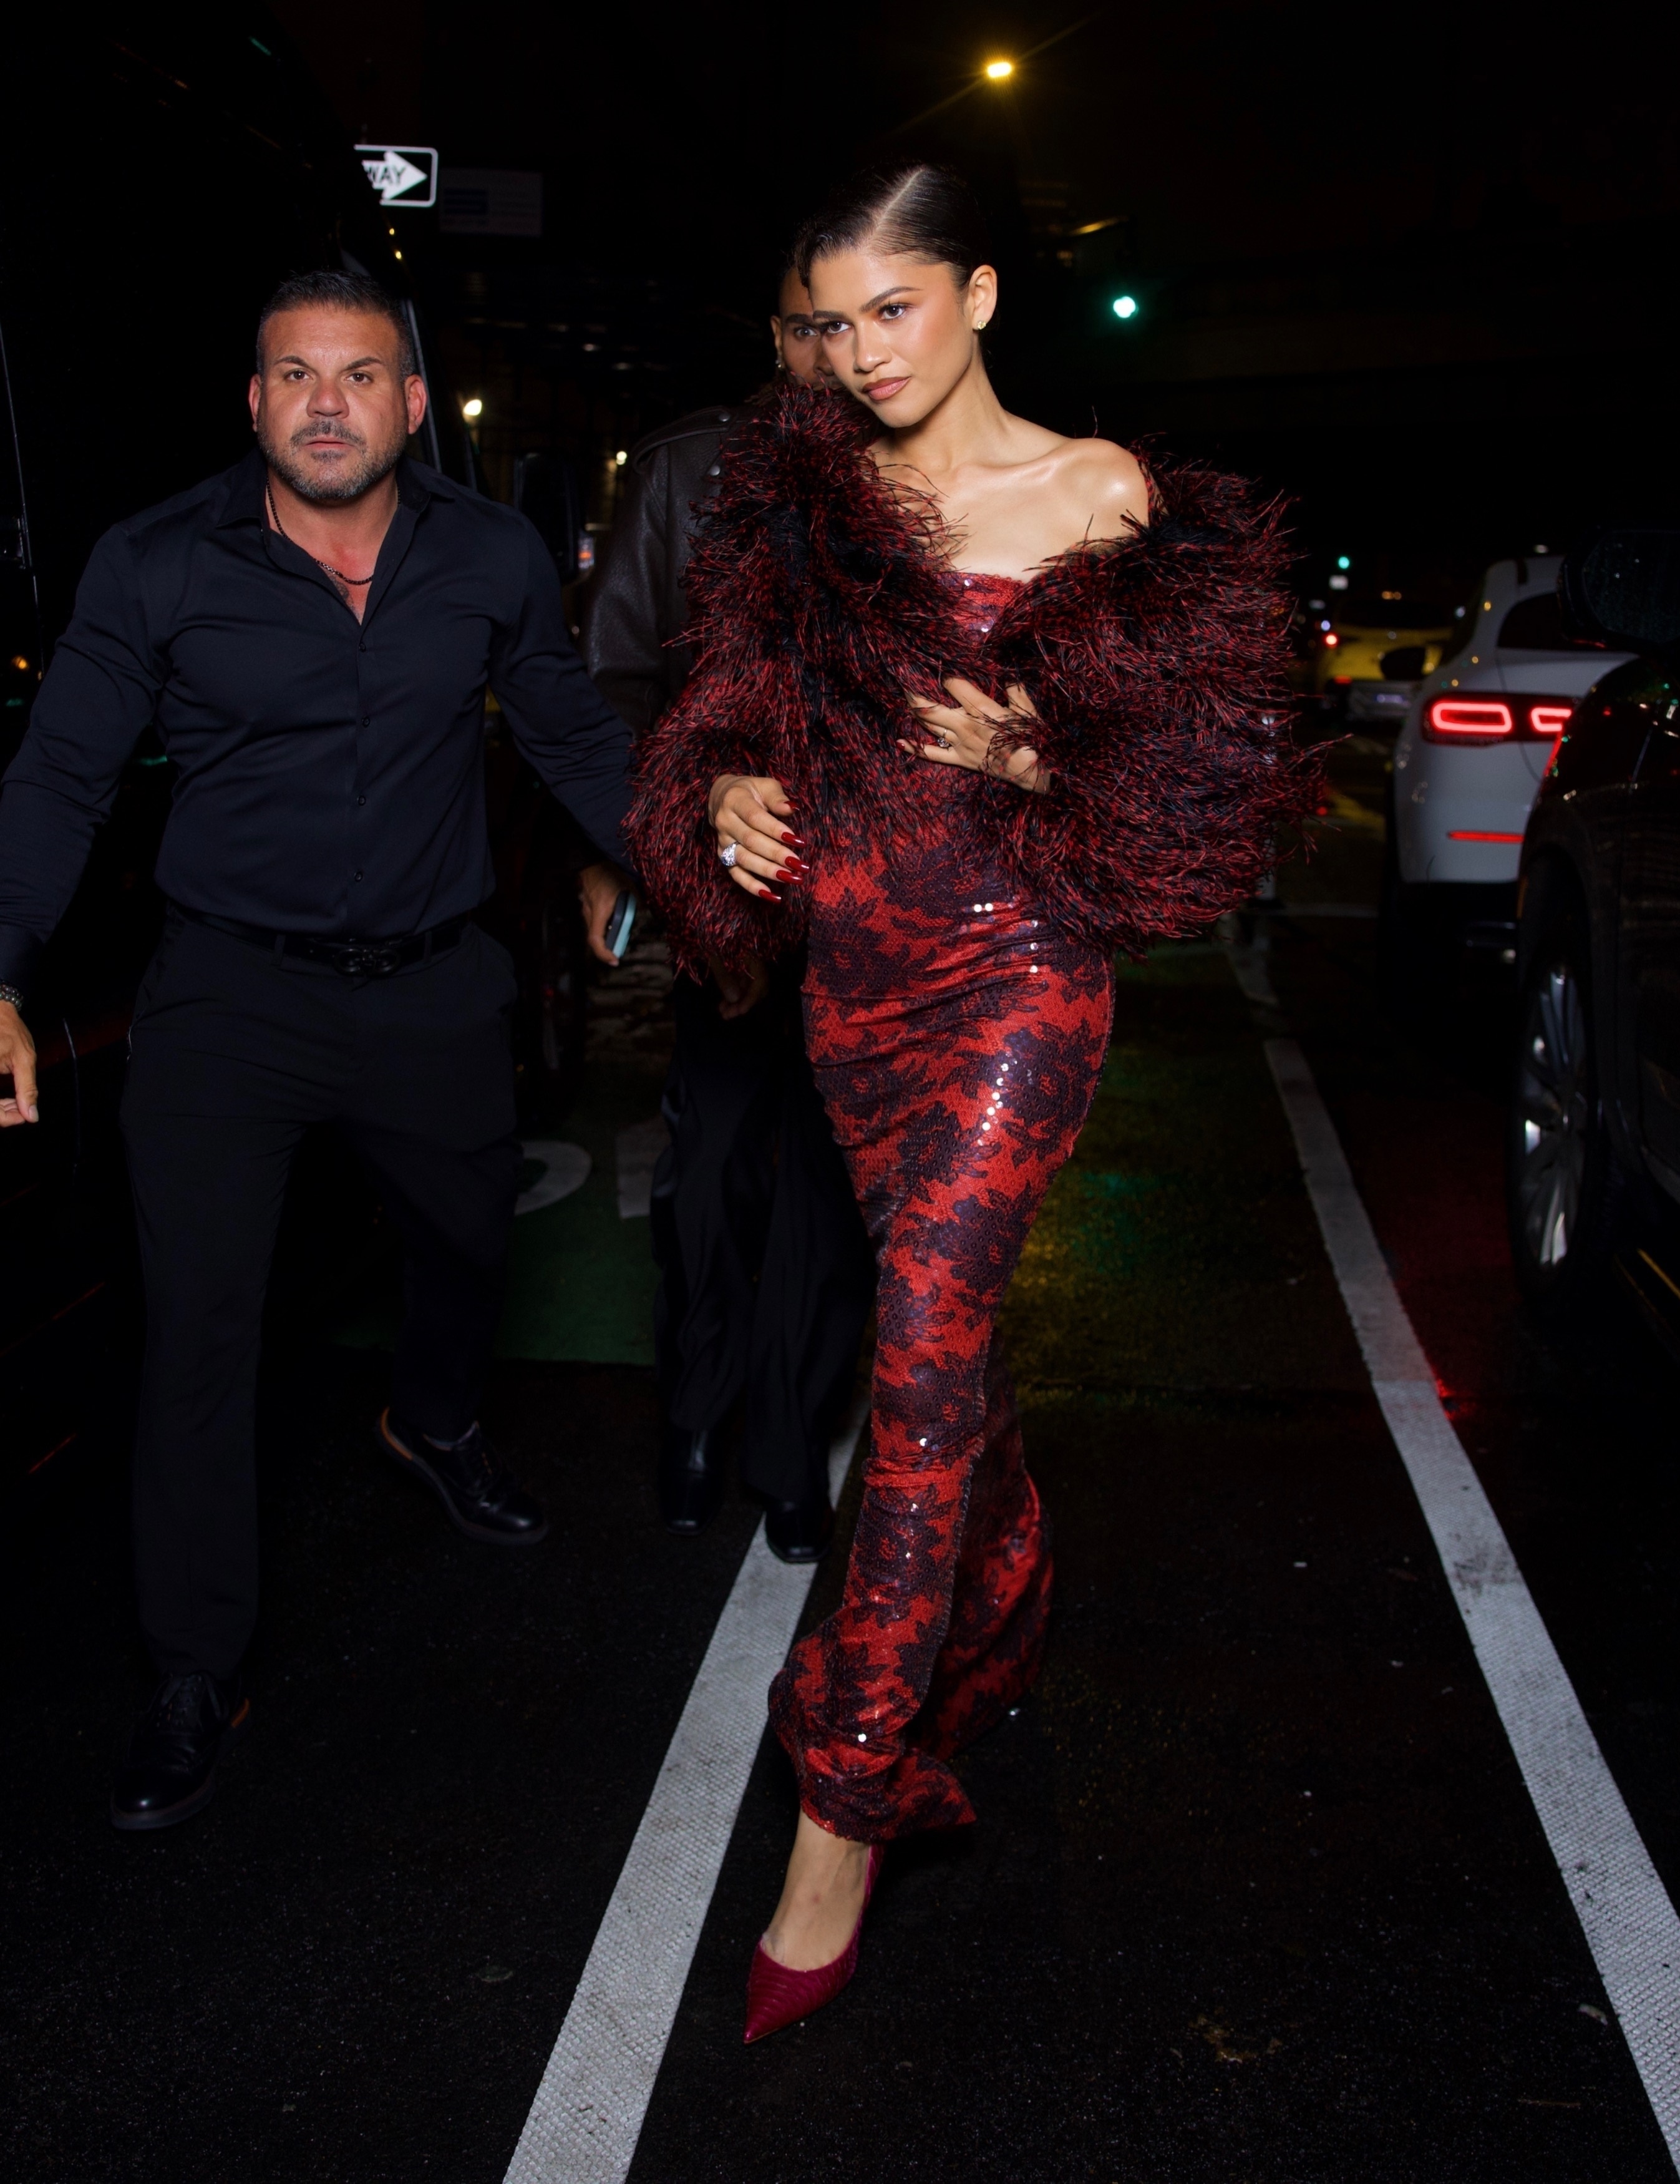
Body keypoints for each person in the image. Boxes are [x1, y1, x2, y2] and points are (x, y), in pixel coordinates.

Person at [626, 163, 1318, 2039]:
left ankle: (843, 1809)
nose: (864, 353)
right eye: (833, 322)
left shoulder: (1099, 492)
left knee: (922, 1336)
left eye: (896, 307)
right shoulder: (804, 506)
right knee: (946, 1354)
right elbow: (723, 718)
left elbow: (1208, 783)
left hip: (1023, 967)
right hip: (854, 981)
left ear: (983, 293)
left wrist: (1040, 754)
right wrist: (722, 795)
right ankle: (1004, 1573)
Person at [0, 270, 634, 1831]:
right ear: (255, 401)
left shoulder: (489, 554)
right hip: (232, 997)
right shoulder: (157, 561)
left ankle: (434, 1416)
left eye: (358, 374)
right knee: (196, 1330)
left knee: (472, 1233)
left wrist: (692, 868)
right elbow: (61, 775)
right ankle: (193, 1668)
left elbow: (569, 732)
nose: (327, 402)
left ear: (411, 405)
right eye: (296, 374)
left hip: (431, 984)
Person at [577, 267, 873, 1562]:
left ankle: (792, 1448)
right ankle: (696, 1418)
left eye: (861, 325)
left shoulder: (923, 470)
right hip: (726, 889)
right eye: (812, 327)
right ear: (776, 333)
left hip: (871, 903)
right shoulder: (689, 466)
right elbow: (614, 683)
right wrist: (640, 855)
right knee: (706, 1185)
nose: (835, 355)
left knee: (828, 1191)